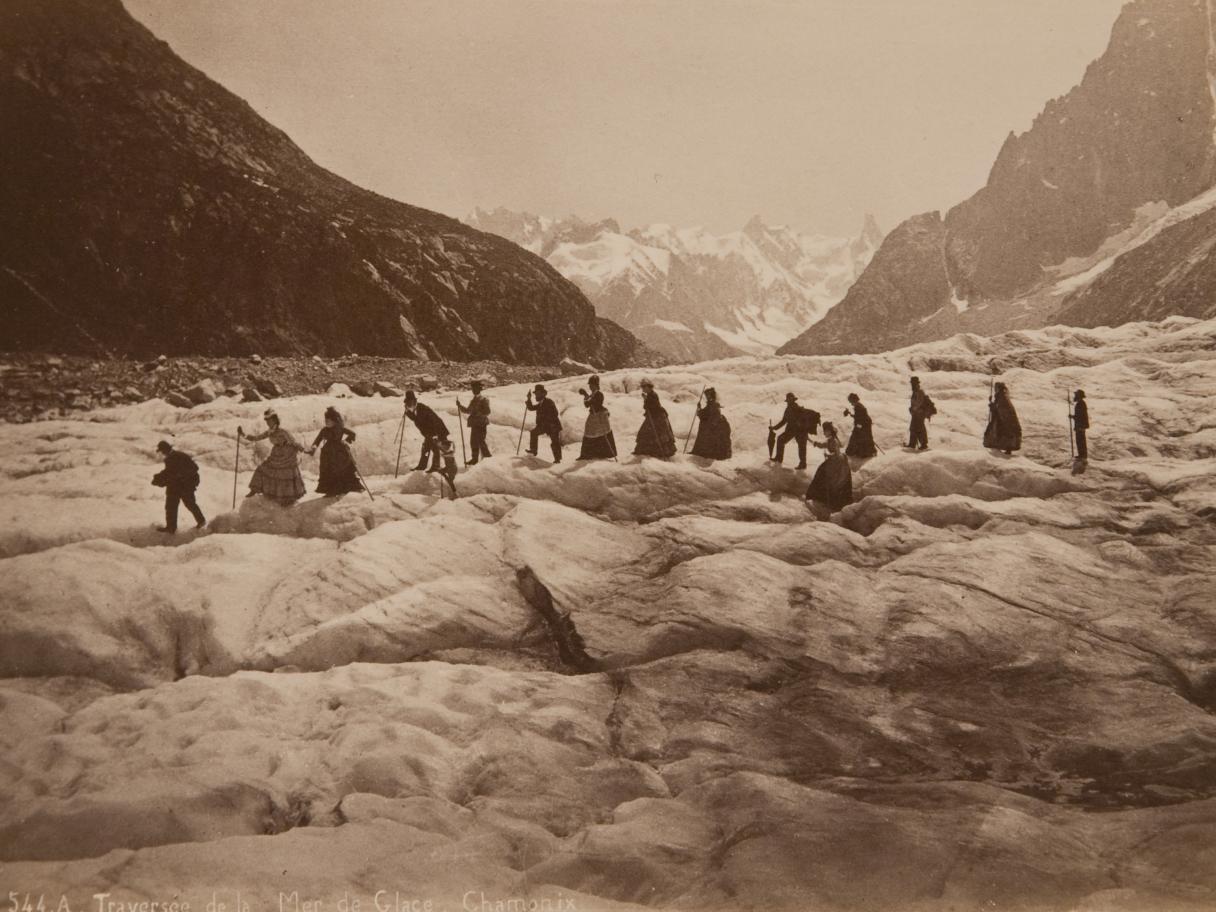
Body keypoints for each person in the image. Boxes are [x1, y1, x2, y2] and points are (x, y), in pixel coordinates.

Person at [242, 408, 306, 504]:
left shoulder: (283, 431)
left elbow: (294, 442)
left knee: (284, 475)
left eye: (270, 420)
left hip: (287, 455)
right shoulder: (269, 432)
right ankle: (254, 489)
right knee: (262, 468)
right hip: (276, 453)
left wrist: (304, 450)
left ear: (275, 420)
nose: (268, 423)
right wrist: (243, 435)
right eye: (267, 421)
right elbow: (256, 438)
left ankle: (286, 499)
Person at [151, 440, 205, 533]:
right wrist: (159, 478)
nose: (162, 453)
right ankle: (171, 528)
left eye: (162, 451)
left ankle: (202, 522)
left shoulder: (180, 456)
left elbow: (194, 468)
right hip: (175, 486)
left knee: (190, 504)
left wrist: (182, 476)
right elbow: (169, 472)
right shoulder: (169, 458)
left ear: (166, 449)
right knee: (171, 506)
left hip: (185, 486)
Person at [307, 406, 361, 496]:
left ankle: (345, 488)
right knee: (328, 471)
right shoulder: (324, 430)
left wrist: (345, 441)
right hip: (327, 454)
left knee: (341, 470)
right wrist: (314, 447)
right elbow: (318, 440)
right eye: (325, 420)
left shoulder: (340, 428)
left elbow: (352, 434)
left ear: (334, 421)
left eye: (328, 420)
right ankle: (331, 490)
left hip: (339, 453)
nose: (326, 422)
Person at [805, 421, 853, 513]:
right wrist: (810, 440)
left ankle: (826, 501)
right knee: (823, 474)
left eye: (825, 431)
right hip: (835, 461)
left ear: (830, 431)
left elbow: (836, 453)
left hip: (837, 463)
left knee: (829, 479)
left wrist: (828, 454)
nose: (824, 433)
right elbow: (821, 445)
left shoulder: (833, 441)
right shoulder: (832, 439)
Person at [404, 390, 450, 472]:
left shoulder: (422, 408)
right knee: (426, 448)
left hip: (438, 430)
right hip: (429, 432)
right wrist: (408, 414)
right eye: (407, 403)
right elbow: (416, 419)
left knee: (439, 448)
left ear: (414, 401)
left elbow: (432, 421)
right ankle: (422, 466)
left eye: (410, 402)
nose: (409, 405)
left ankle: (440, 467)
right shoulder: (415, 410)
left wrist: (435, 434)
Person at [771, 392, 820, 469]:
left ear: (793, 400)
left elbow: (788, 421)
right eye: (788, 400)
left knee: (801, 447)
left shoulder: (797, 409)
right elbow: (784, 421)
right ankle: (779, 458)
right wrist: (774, 428)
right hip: (792, 430)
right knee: (781, 439)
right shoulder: (788, 410)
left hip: (801, 431)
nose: (789, 401)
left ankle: (802, 464)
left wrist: (775, 427)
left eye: (790, 400)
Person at [633, 379, 677, 458]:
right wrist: (646, 399)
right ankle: (650, 451)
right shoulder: (651, 394)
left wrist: (645, 400)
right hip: (654, 416)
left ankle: (659, 452)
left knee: (657, 433)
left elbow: (650, 406)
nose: (642, 388)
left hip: (657, 417)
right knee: (648, 433)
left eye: (644, 386)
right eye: (642, 387)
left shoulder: (653, 395)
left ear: (649, 387)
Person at [577, 376, 616, 460]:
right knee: (591, 432)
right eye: (590, 385)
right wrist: (586, 396)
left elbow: (594, 404)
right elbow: (587, 405)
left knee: (599, 433)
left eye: (592, 385)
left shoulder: (599, 394)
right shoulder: (593, 394)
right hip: (594, 415)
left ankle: (600, 453)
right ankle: (588, 454)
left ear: (596, 385)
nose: (590, 386)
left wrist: (586, 396)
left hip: (599, 416)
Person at [690, 387, 732, 460]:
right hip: (714, 425)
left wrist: (699, 409)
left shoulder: (712, 405)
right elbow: (705, 414)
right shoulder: (712, 404)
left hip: (713, 427)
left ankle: (707, 453)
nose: (707, 397)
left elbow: (705, 414)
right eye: (706, 396)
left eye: (708, 396)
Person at [525, 384, 563, 463]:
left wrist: (546, 420)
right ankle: (533, 450)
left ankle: (557, 459)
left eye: (538, 394)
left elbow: (555, 413)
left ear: (543, 394)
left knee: (555, 442)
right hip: (545, 426)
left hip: (553, 426)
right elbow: (531, 408)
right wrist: (529, 399)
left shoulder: (549, 402)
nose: (536, 395)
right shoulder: (540, 403)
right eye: (535, 394)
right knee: (534, 433)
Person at [458, 380, 492, 465]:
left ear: (479, 389)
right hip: (474, 424)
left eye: (474, 389)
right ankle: (474, 459)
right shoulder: (473, 400)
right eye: (472, 389)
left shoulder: (484, 399)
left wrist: (478, 414)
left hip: (481, 424)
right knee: (473, 442)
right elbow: (468, 410)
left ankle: (488, 458)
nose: (473, 390)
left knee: (481, 441)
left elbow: (487, 412)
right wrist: (459, 406)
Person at [983, 381, 1022, 455]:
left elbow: (1000, 408)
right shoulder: (1001, 396)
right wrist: (992, 403)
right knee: (1002, 433)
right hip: (1004, 419)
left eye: (996, 388)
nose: (995, 389)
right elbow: (998, 408)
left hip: (1003, 420)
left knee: (1004, 433)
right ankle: (1003, 448)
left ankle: (1006, 449)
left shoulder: (1002, 397)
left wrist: (992, 406)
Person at [843, 393, 877, 458]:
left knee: (858, 437)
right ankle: (867, 452)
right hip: (865, 424)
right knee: (865, 438)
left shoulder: (859, 407)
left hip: (864, 425)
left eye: (851, 402)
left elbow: (861, 419)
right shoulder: (858, 406)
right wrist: (852, 415)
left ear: (854, 400)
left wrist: (858, 428)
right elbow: (859, 417)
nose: (851, 403)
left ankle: (856, 453)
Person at [908, 377, 934, 450]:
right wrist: (911, 409)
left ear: (917, 384)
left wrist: (913, 409)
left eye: (913, 384)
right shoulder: (915, 392)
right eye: (912, 384)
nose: (912, 385)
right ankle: (912, 444)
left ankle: (924, 444)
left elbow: (919, 402)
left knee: (920, 428)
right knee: (913, 428)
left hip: (920, 413)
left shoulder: (920, 392)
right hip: (916, 413)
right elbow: (914, 403)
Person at [1072, 390, 1089, 462]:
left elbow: (1081, 416)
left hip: (1080, 426)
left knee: (1080, 440)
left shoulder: (1081, 404)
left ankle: (1083, 455)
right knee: (1080, 440)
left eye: (1076, 395)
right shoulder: (1081, 403)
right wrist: (1073, 417)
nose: (1075, 396)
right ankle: (1081, 455)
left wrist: (1074, 417)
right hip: (1080, 425)